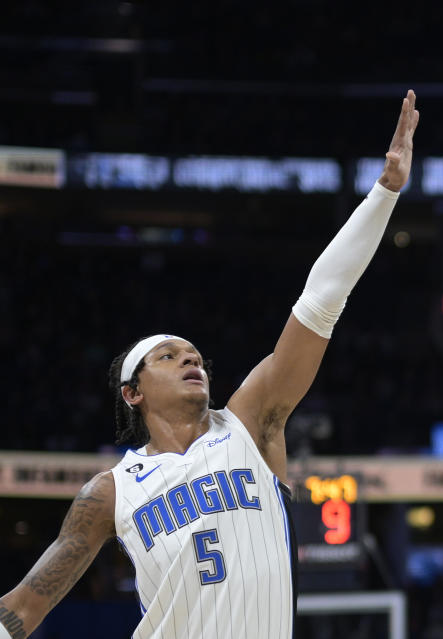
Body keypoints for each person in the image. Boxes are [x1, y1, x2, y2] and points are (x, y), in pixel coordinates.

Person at [0, 90, 419, 639]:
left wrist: (384, 194)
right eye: (167, 356)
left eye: (194, 354)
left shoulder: (251, 422)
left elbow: (321, 299)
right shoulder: (111, 491)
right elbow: (24, 607)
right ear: (133, 391)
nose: (190, 359)